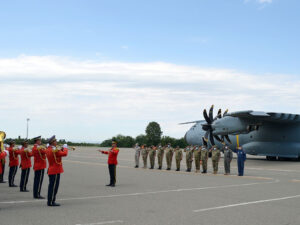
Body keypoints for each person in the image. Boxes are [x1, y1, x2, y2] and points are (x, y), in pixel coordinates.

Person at [46, 135, 68, 206]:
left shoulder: (49, 149)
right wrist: (65, 148)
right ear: (52, 142)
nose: (57, 142)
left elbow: (58, 155)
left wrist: (60, 149)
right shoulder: (54, 150)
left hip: (52, 169)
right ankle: (51, 201)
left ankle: (50, 201)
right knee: (54, 187)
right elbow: (64, 154)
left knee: (51, 186)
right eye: (55, 141)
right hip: (55, 170)